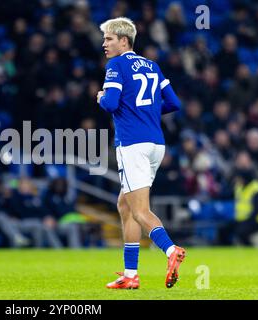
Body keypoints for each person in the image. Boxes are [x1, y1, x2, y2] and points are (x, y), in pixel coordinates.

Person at [97, 17, 184, 289]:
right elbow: (174, 102)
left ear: (124, 41)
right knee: (125, 204)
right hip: (156, 144)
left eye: (109, 39)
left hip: (132, 144)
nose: (104, 44)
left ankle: (171, 251)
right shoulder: (153, 66)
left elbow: (110, 103)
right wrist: (146, 112)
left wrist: (100, 98)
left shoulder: (116, 65)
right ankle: (130, 275)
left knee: (140, 210)